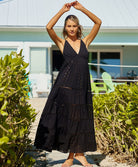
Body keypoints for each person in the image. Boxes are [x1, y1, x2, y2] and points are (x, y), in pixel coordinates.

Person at [34, 1, 102, 167]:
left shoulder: (85, 42)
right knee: (69, 122)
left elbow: (98, 22)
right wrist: (62, 10)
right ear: (65, 28)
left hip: (82, 89)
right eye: (69, 26)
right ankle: (72, 157)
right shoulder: (62, 43)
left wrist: (82, 9)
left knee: (81, 120)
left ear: (78, 27)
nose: (71, 28)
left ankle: (78, 155)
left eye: (74, 26)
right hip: (65, 88)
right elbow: (49, 27)